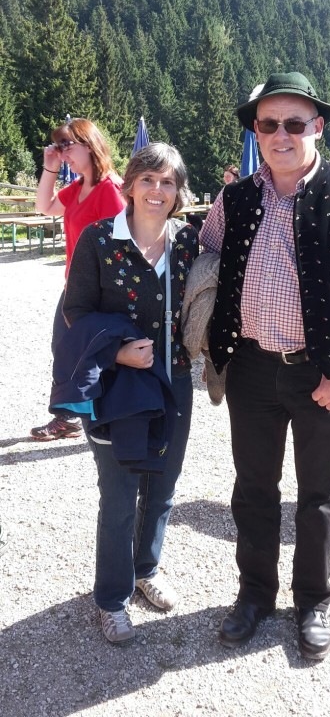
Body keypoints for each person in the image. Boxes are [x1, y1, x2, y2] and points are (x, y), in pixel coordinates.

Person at [200, 71, 330, 660]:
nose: (281, 134)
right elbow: (205, 256)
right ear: (256, 132)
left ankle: (313, 600)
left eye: (294, 123)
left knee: (318, 494)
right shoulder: (235, 198)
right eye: (269, 124)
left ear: (317, 127)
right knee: (253, 489)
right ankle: (254, 595)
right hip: (251, 368)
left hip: (324, 372)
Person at [60, 142, 198, 645]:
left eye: (167, 182)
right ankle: (112, 597)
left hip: (174, 379)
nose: (157, 190)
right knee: (119, 493)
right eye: (148, 180)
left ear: (178, 192)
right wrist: (117, 353)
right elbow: (75, 310)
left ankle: (146, 569)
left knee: (162, 485)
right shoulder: (99, 239)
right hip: (116, 385)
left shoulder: (188, 242)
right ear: (130, 185)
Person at [30, 118, 125, 441]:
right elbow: (44, 206)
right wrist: (50, 167)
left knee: (87, 352)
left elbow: (120, 247)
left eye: (67, 145)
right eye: (59, 146)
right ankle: (70, 417)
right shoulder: (80, 186)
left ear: (90, 144)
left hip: (97, 291)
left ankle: (86, 417)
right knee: (65, 348)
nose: (63, 153)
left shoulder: (109, 189)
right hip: (74, 287)